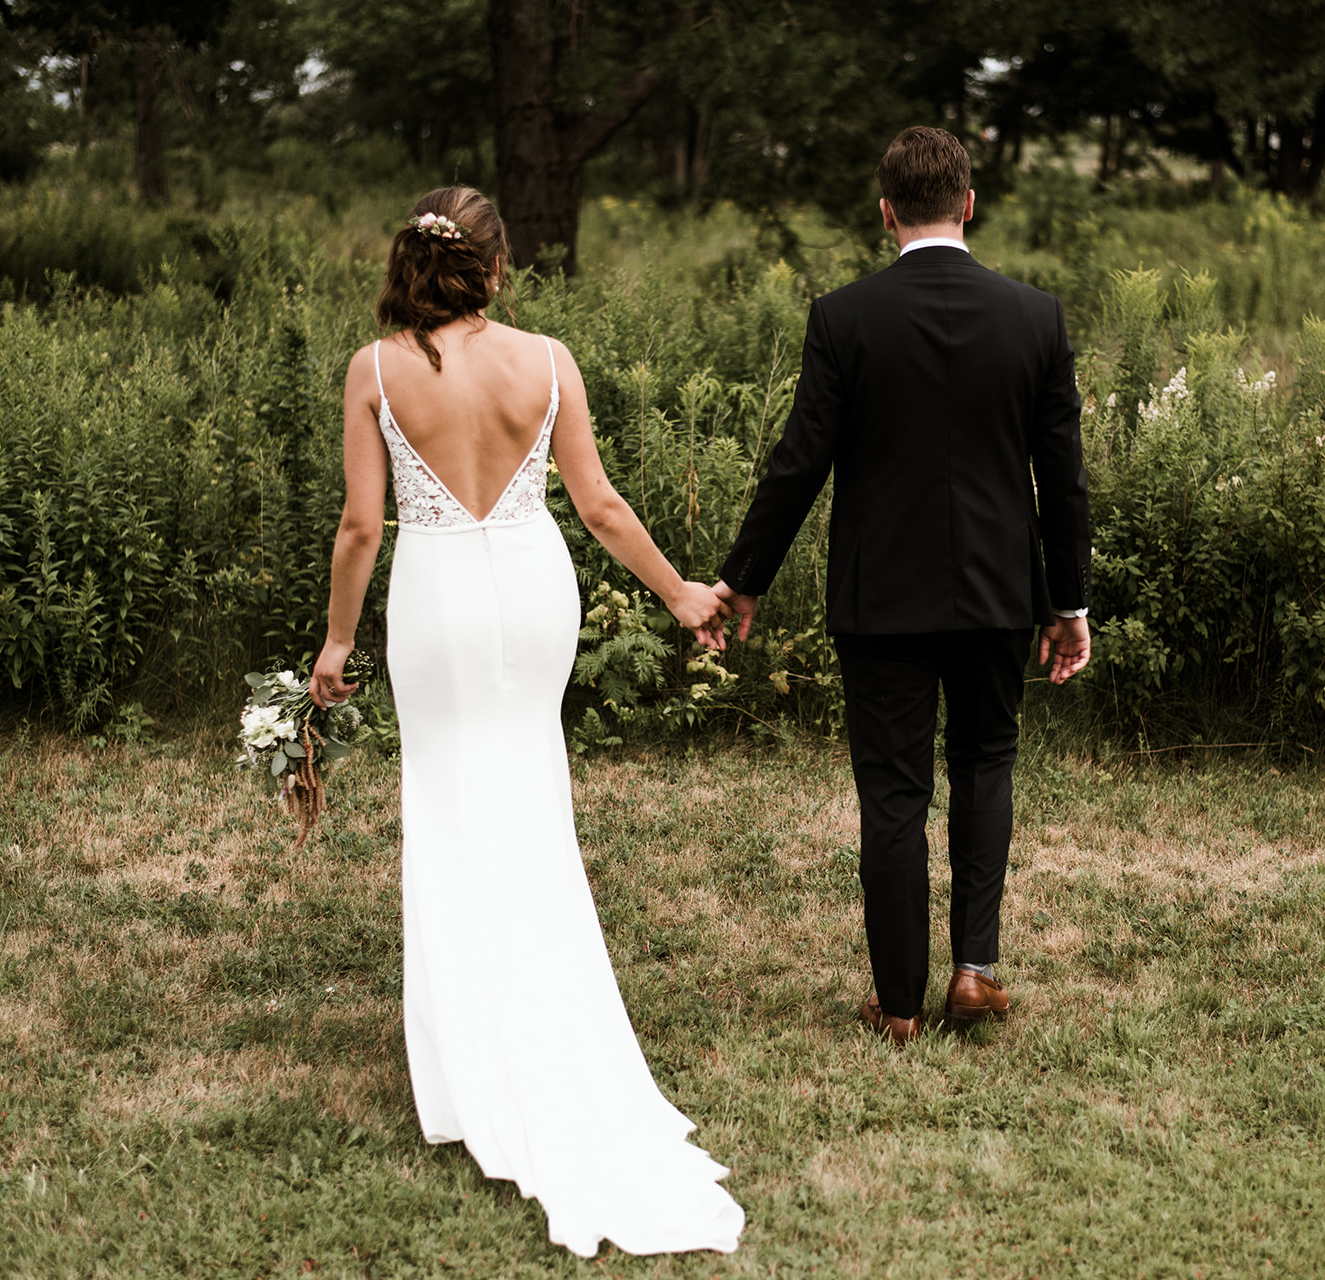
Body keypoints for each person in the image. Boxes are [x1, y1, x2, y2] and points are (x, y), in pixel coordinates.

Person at [308, 187, 745, 1256]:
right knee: (526, 794)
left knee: (452, 799)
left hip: (439, 601)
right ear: (496, 269)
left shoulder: (375, 370)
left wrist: (333, 643)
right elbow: (597, 504)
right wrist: (682, 592)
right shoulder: (546, 360)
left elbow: (365, 525)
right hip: (534, 589)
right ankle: (538, 1010)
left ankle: (470, 1055)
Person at [713, 127, 1092, 1045]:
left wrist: (743, 580)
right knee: (985, 763)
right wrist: (1069, 603)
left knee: (891, 794)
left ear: (886, 212)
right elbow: (1064, 475)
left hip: (880, 598)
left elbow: (799, 462)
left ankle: (895, 1007)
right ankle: (972, 972)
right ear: (968, 204)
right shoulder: (1034, 316)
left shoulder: (845, 318)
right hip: (1002, 592)